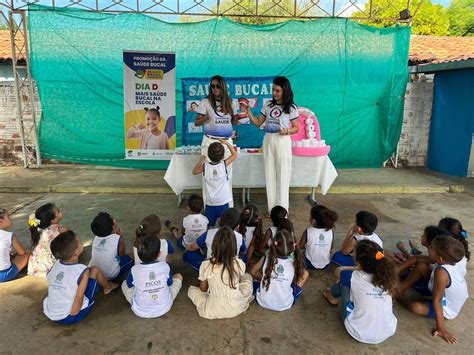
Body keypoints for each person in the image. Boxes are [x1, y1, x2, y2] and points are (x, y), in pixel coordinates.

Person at [323, 240, 398, 345]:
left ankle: (331, 294)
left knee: (344, 285)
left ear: (358, 262)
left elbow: (338, 271)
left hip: (358, 331)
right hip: (388, 330)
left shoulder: (352, 276)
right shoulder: (387, 276)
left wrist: (356, 269)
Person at [397, 235, 468, 344]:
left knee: (415, 307)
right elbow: (416, 258)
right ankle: (401, 289)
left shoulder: (442, 272)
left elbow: (438, 301)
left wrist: (442, 329)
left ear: (440, 258)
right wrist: (395, 270)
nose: (428, 247)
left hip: (446, 307)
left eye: (431, 247)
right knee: (421, 266)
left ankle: (396, 294)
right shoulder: (446, 260)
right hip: (441, 292)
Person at [245, 76, 299, 214]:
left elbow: (296, 128)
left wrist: (286, 131)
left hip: (283, 141)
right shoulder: (268, 105)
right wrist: (248, 112)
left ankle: (282, 212)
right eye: (273, 90)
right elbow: (258, 123)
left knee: (283, 175)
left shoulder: (291, 108)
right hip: (268, 140)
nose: (274, 93)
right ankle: (272, 210)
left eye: (278, 90)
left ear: (285, 91)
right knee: (269, 175)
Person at [43, 230, 119, 324]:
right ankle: (108, 287)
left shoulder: (55, 265)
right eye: (79, 241)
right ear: (76, 252)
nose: (81, 242)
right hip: (70, 316)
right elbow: (79, 296)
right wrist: (74, 314)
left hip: (51, 312)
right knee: (95, 270)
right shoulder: (82, 271)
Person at [187, 226, 253, 319]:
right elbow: (237, 281)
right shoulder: (239, 263)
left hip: (213, 308)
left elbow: (203, 289)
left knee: (192, 291)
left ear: (214, 246)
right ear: (234, 247)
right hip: (235, 306)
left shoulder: (206, 265)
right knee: (247, 277)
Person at [122, 235, 183, 318]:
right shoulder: (165, 266)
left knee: (124, 283)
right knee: (178, 276)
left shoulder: (134, 269)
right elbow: (169, 283)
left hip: (140, 311)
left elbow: (129, 285)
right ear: (159, 254)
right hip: (164, 307)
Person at [251, 229, 309, 311]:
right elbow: (305, 274)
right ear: (293, 247)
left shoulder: (266, 258)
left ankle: (269, 282)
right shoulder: (294, 262)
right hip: (285, 303)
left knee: (251, 281)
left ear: (273, 245)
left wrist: (265, 279)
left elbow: (253, 272)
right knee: (305, 274)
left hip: (263, 301)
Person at [192, 140, 237, 227]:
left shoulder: (205, 166)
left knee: (209, 225)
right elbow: (234, 154)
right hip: (223, 201)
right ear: (223, 155)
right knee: (225, 224)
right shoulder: (224, 165)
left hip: (211, 202)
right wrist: (227, 143)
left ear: (208, 155)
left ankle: (209, 238)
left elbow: (194, 171)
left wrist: (201, 161)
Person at [194, 75, 238, 158]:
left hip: (226, 142)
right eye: (213, 86)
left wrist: (237, 118)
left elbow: (234, 123)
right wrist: (205, 118)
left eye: (218, 86)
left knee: (226, 170)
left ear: (223, 87)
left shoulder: (230, 102)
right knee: (208, 169)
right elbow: (196, 123)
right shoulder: (205, 101)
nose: (215, 88)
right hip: (210, 141)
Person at [88, 212, 133, 280]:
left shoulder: (96, 237)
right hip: (110, 274)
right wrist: (121, 235)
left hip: (93, 272)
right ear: (113, 226)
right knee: (132, 256)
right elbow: (122, 255)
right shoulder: (117, 238)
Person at [27, 203, 67, 277]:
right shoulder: (61, 229)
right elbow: (72, 243)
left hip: (36, 269)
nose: (60, 212)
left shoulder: (37, 230)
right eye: (58, 211)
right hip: (52, 268)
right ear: (53, 220)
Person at [299, 205, 338, 269]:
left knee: (299, 254)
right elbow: (331, 248)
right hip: (326, 264)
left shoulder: (308, 231)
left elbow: (299, 247)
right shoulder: (330, 232)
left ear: (313, 221)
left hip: (309, 263)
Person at [0, 208, 29, 282]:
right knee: (28, 254)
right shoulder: (9, 235)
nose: (10, 218)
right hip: (4, 275)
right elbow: (22, 252)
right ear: (1, 221)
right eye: (8, 217)